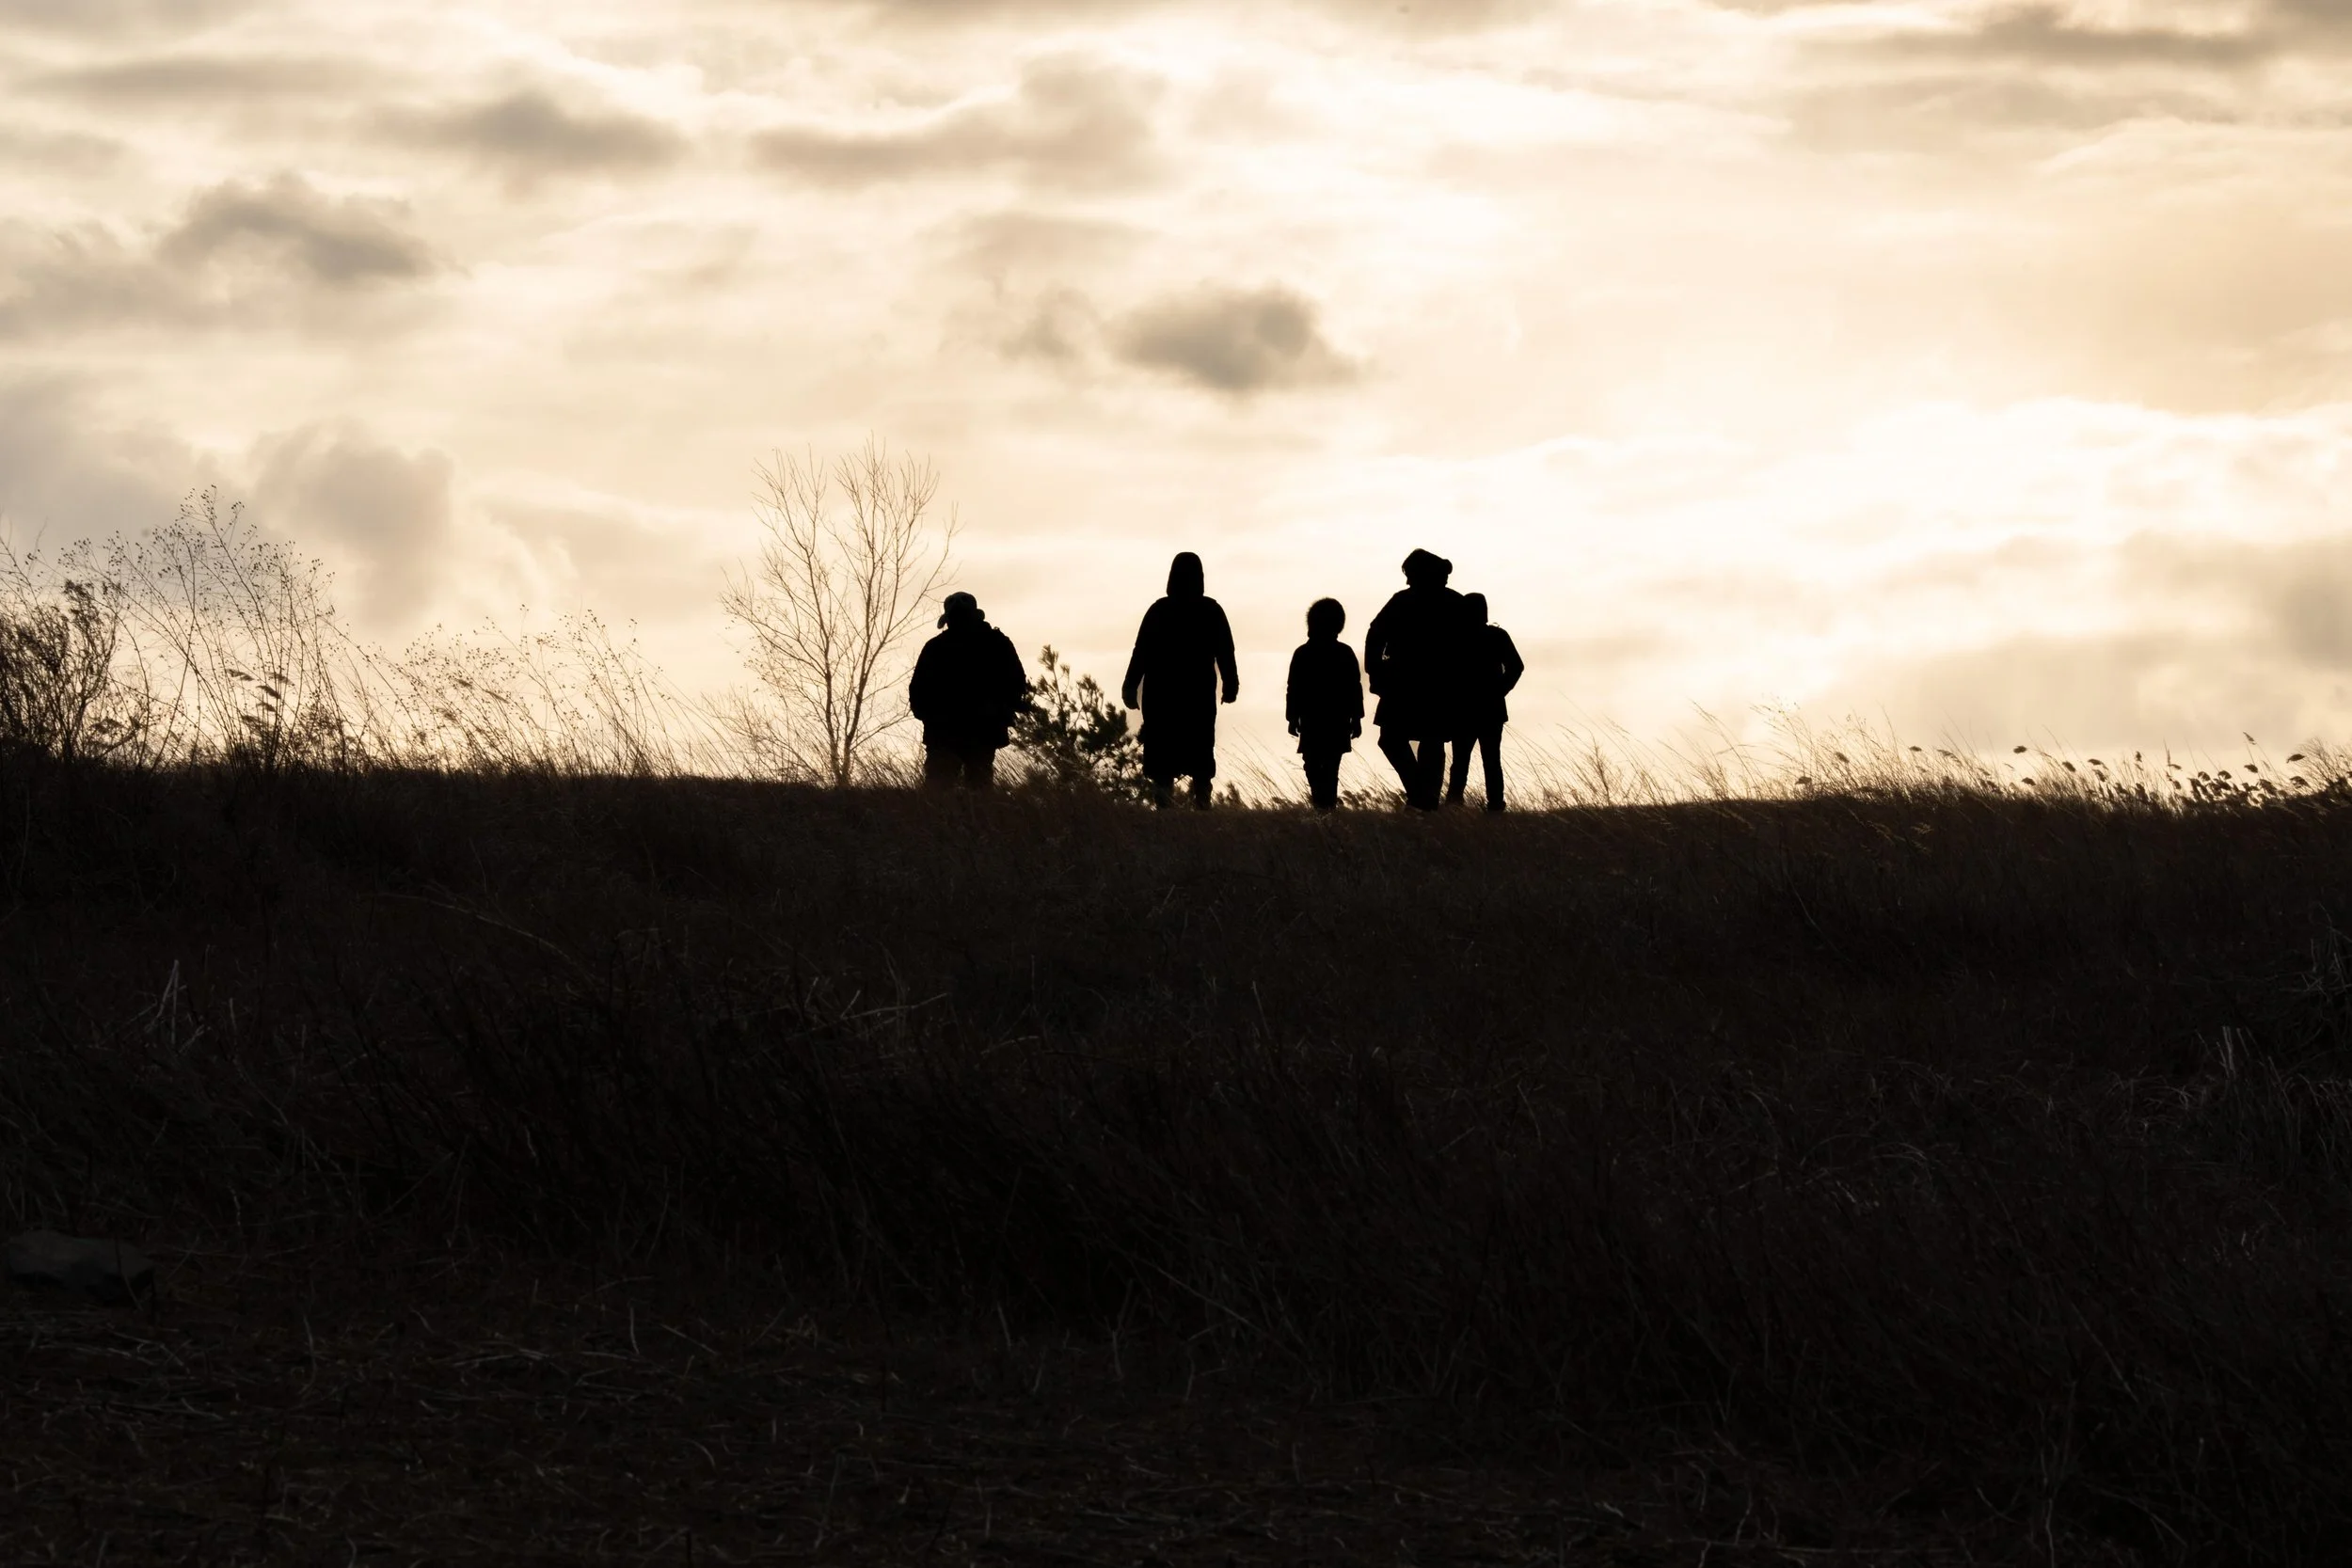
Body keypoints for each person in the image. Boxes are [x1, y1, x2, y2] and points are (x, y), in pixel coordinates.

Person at [1121, 552, 1239, 808]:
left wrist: (1130, 686)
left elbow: (1140, 652)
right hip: (1196, 696)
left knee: (1165, 758)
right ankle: (1201, 806)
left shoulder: (1159, 611)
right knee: (1199, 752)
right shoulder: (1211, 611)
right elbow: (1226, 652)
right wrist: (1230, 684)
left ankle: (1169, 809)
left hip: (1163, 697)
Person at [1362, 548, 1468, 810]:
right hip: (1431, 685)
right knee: (1427, 740)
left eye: (1410, 575)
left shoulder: (1404, 601)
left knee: (1407, 739)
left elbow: (1375, 635)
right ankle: (1424, 796)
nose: (1408, 581)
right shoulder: (1454, 602)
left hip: (1411, 684)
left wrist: (1375, 672)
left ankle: (1422, 797)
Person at [908, 591, 1026, 790]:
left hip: (954, 734)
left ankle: (940, 821)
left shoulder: (936, 647)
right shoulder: (997, 643)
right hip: (969, 733)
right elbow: (1017, 685)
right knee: (972, 790)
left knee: (940, 793)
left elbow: (917, 692)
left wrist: (931, 717)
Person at [1445, 592, 1524, 812]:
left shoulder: (1455, 638)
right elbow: (1516, 667)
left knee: (1460, 761)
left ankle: (1454, 805)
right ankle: (1495, 807)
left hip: (1463, 709)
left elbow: (1444, 673)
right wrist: (1499, 691)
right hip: (1490, 709)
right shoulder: (1497, 636)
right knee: (1491, 761)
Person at [1286, 597, 1362, 813]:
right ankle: (1324, 805)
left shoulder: (1304, 653)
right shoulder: (1342, 653)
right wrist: (1356, 719)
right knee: (1324, 766)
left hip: (1319, 720)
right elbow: (1354, 689)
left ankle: (1324, 805)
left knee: (1320, 765)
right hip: (1330, 720)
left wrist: (1292, 717)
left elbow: (1294, 688)